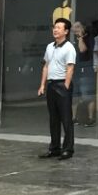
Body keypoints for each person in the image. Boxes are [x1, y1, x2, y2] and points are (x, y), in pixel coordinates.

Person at [38, 18, 76, 160]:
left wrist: (66, 85)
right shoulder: (50, 47)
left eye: (59, 28)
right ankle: (54, 148)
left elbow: (70, 68)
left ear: (66, 31)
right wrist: (42, 85)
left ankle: (68, 149)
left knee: (66, 119)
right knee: (53, 119)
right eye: (55, 27)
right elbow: (46, 66)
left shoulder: (69, 48)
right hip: (51, 84)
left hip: (62, 85)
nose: (55, 30)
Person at [71, 20, 95, 128]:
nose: (75, 29)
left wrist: (81, 38)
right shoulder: (73, 41)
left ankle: (90, 118)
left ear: (83, 28)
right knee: (75, 96)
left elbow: (82, 50)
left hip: (86, 70)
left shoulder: (88, 38)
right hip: (76, 71)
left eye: (78, 27)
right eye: (74, 27)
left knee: (88, 96)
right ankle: (73, 118)